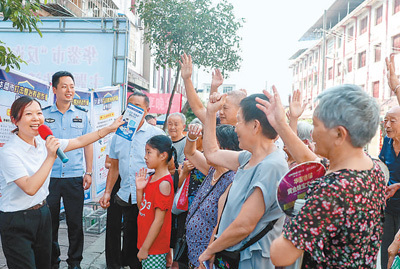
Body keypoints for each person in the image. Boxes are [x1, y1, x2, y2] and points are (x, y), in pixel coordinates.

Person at [257, 85, 386, 268]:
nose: (312, 132)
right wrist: (280, 124)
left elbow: (281, 255)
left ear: (339, 134)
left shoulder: (332, 190)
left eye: (316, 125)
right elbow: (311, 162)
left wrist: (300, 208)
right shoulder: (372, 170)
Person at [0, 96, 123, 269]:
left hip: (42, 213)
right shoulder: (9, 152)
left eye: (39, 113)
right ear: (15, 120)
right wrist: (51, 156)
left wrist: (109, 129)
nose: (36, 118)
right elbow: (30, 187)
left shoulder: (44, 142)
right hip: (16, 219)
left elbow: (79, 141)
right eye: (28, 114)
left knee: (46, 264)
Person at [198, 93, 287, 269]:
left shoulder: (272, 165)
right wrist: (210, 113)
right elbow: (211, 154)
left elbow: (244, 225)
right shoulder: (248, 157)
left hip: (251, 261)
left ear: (255, 125)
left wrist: (210, 250)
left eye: (239, 121)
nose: (235, 128)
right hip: (232, 255)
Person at [99, 90, 165, 269]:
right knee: (113, 230)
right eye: (130, 106)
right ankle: (113, 264)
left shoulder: (156, 135)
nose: (133, 110)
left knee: (136, 233)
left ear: (147, 109)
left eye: (138, 107)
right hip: (123, 190)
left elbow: (165, 166)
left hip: (145, 193)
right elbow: (114, 165)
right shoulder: (118, 134)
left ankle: (134, 263)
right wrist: (107, 192)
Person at [42, 71, 92, 269]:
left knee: (75, 223)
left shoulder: (82, 115)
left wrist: (88, 172)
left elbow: (88, 144)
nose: (69, 90)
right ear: (54, 89)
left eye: (72, 86)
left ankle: (75, 262)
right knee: (50, 223)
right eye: (64, 86)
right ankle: (52, 261)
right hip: (50, 177)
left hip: (74, 177)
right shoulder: (43, 115)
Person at [184, 123, 240, 268]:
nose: (206, 150)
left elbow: (220, 226)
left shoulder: (231, 181)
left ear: (225, 150)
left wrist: (208, 256)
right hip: (195, 252)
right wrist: (191, 137)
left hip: (207, 258)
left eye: (212, 145)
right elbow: (190, 153)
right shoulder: (212, 169)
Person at [136, 135, 177, 268]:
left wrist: (145, 249)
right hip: (147, 243)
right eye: (145, 152)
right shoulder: (152, 178)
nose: (145, 156)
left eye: (149, 152)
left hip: (154, 247)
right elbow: (142, 208)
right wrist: (139, 190)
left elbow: (159, 221)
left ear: (163, 155)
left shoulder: (163, 184)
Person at [179, 53, 246, 125]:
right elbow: (198, 108)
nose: (221, 112)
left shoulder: (248, 132)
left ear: (240, 110)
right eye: (220, 108)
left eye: (225, 108)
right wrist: (187, 79)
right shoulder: (216, 125)